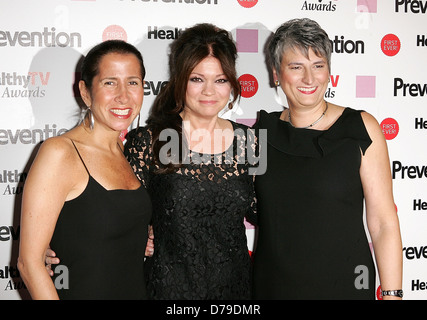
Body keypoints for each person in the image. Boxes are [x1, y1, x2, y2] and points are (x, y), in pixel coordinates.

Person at [252, 18, 403, 300]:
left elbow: (383, 222)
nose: (309, 79)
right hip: (273, 288)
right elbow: (229, 202)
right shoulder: (261, 133)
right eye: (296, 67)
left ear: (329, 71)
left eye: (318, 66)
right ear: (276, 73)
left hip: (345, 287)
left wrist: (393, 294)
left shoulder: (361, 128)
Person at [124, 23, 257, 300]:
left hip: (236, 292)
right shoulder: (150, 141)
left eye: (220, 80)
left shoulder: (251, 141)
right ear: (180, 79)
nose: (209, 91)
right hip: (167, 291)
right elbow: (119, 217)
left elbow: (266, 214)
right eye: (197, 79)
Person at [18, 40, 152, 300]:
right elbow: (30, 264)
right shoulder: (60, 152)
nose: (123, 96)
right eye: (109, 82)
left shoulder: (129, 152)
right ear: (86, 91)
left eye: (133, 82)